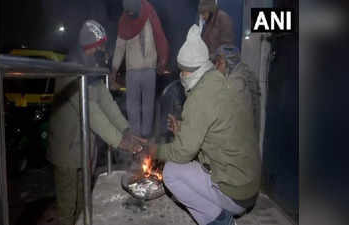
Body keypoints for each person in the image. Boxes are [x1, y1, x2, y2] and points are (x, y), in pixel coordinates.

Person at [147, 25, 261, 225]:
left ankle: (222, 221)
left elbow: (183, 153)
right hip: (248, 185)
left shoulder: (199, 97)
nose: (181, 76)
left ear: (191, 71)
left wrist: (155, 150)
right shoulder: (218, 80)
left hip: (235, 194)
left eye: (182, 71)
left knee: (172, 173)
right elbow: (218, 128)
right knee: (190, 166)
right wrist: (183, 128)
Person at [47, 20, 145, 225]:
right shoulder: (71, 69)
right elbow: (91, 110)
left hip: (83, 147)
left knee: (84, 202)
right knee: (68, 206)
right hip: (67, 148)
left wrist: (125, 129)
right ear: (91, 45)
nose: (103, 50)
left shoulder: (90, 67)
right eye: (100, 45)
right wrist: (120, 141)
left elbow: (107, 103)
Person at [110, 0, 169, 139]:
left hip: (150, 68)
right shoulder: (124, 21)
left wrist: (163, 60)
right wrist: (114, 69)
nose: (131, 17)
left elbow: (159, 36)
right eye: (128, 14)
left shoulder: (150, 14)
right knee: (132, 108)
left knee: (148, 107)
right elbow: (119, 47)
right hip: (132, 70)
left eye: (133, 14)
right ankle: (136, 140)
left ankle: (146, 138)